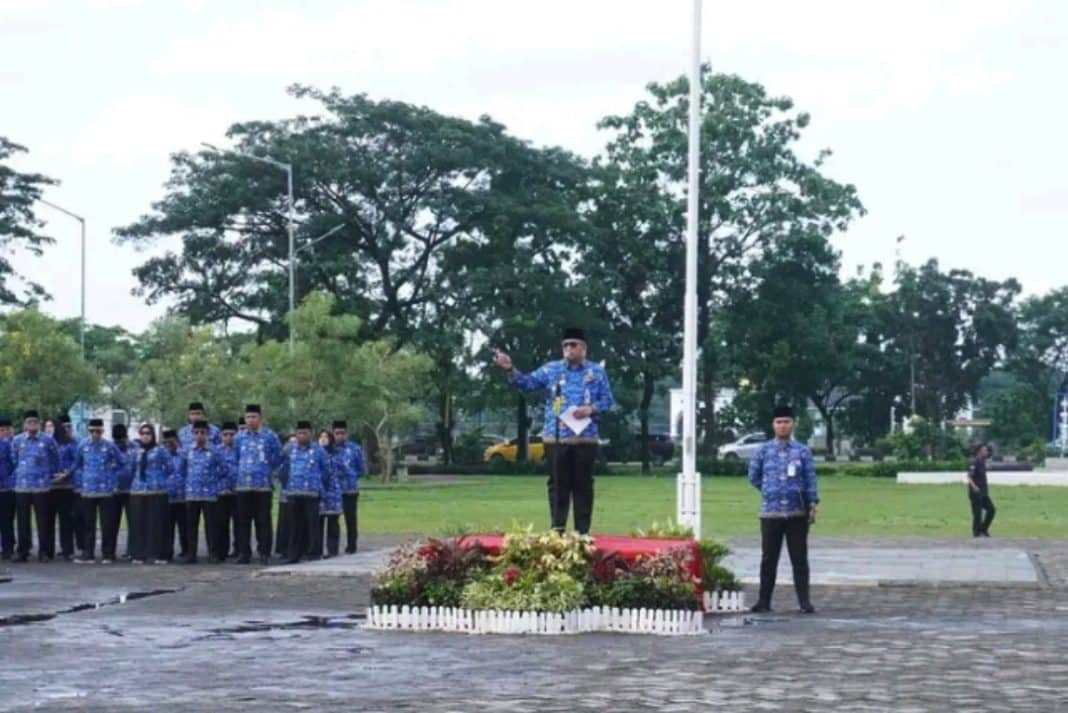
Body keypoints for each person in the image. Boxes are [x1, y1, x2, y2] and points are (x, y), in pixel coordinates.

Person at [494, 327, 615, 535]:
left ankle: (582, 533)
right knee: (558, 486)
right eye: (565, 345)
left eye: (573, 345)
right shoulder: (552, 370)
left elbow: (608, 400)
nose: (569, 349)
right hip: (556, 438)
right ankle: (556, 531)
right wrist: (509, 369)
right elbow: (527, 383)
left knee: (583, 487)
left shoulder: (596, 372)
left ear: (583, 348)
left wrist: (591, 409)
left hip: (585, 439)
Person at [747, 405, 819, 614]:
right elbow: (753, 476)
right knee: (769, 558)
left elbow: (810, 479)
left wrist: (812, 503)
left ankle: (804, 601)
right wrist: (770, 489)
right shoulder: (763, 451)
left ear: (793, 424)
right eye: (779, 422)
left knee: (799, 558)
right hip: (771, 512)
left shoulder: (802, 451)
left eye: (786, 421)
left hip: (797, 513)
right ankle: (764, 601)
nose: (783, 425)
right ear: (773, 425)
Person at [234, 404, 283, 565]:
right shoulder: (239, 437)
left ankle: (264, 552)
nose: (250, 420)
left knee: (263, 521)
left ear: (260, 418)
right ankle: (244, 553)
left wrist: (267, 471)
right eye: (248, 417)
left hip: (262, 485)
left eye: (253, 417)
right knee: (242, 521)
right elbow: (235, 458)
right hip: (243, 486)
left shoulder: (270, 436)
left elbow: (277, 457)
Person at [71, 418, 123, 564]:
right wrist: (79, 480)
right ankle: (88, 553)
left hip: (106, 490)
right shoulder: (82, 445)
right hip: (88, 489)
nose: (95, 434)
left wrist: (113, 478)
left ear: (102, 431)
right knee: (88, 523)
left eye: (98, 431)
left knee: (107, 524)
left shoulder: (110, 446)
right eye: (92, 431)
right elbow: (77, 464)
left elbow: (121, 462)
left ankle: (108, 554)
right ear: (89, 431)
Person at [12, 410, 60, 562]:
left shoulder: (47, 440)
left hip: (42, 486)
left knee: (43, 520)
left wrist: (49, 475)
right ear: (24, 424)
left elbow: (55, 459)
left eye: (35, 421)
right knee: (22, 520)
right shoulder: (17, 440)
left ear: (39, 423)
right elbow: (14, 460)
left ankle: (44, 551)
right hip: (22, 486)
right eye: (29, 422)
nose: (32, 424)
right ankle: (23, 551)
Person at [280, 421, 328, 563]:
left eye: (305, 433)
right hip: (293, 493)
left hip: (312, 493)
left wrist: (318, 484)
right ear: (295, 433)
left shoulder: (319, 451)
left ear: (311, 434)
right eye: (299, 433)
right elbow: (283, 470)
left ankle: (314, 553)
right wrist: (287, 485)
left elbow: (326, 472)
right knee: (294, 525)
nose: (302, 436)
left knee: (313, 525)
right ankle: (294, 554)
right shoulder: (289, 450)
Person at [183, 420, 227, 564]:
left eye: (203, 432)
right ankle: (191, 554)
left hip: (209, 494)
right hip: (192, 493)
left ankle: (213, 554)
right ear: (192, 434)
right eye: (196, 433)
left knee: (211, 526)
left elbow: (224, 470)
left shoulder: (215, 451)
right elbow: (181, 470)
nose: (200, 436)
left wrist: (215, 483)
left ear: (208, 434)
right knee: (190, 526)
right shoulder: (187, 451)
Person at [128, 424, 171, 564]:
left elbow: (170, 467)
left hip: (156, 490)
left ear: (153, 435)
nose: (145, 436)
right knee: (138, 524)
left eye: (148, 433)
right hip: (138, 490)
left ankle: (158, 554)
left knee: (156, 523)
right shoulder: (135, 451)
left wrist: (159, 478)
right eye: (143, 433)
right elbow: (131, 467)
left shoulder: (160, 450)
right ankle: (138, 554)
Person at [332, 420, 364, 554]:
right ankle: (332, 548)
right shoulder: (329, 449)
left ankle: (351, 546)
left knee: (351, 519)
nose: (340, 436)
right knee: (333, 520)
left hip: (350, 490)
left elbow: (361, 469)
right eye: (337, 433)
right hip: (333, 491)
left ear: (347, 433)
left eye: (343, 433)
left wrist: (350, 475)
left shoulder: (355, 448)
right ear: (333, 433)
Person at [50, 414, 80, 561]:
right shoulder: (49, 441)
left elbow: (77, 461)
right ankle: (47, 549)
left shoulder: (71, 443)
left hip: (66, 485)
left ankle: (67, 549)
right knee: (48, 519)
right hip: (49, 486)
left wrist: (66, 474)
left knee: (66, 519)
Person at [110, 424, 137, 560]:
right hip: (114, 490)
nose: (119, 442)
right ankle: (110, 552)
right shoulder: (110, 447)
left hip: (131, 490)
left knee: (133, 522)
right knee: (111, 523)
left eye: (121, 439)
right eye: (117, 440)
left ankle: (132, 550)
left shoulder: (134, 448)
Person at [161, 429, 187, 562]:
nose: (168, 445)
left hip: (183, 496)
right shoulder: (160, 455)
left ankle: (186, 551)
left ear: (177, 440)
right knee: (167, 527)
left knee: (184, 527)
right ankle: (167, 552)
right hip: (167, 496)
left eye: (171, 442)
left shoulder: (184, 454)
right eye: (165, 442)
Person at [317, 430, 342, 558]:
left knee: (333, 522)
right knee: (317, 523)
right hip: (318, 491)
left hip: (333, 491)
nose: (323, 439)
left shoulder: (336, 454)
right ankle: (317, 550)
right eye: (321, 436)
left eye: (326, 437)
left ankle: (332, 551)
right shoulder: (314, 453)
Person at [217, 421, 239, 559]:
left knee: (239, 523)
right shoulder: (215, 451)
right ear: (221, 436)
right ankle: (221, 551)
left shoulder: (241, 450)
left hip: (238, 491)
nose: (229, 437)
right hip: (221, 491)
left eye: (232, 434)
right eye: (225, 434)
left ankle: (239, 550)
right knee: (220, 523)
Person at [967, 443, 996, 537]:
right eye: (984, 450)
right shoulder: (974, 462)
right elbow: (969, 477)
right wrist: (974, 487)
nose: (986, 452)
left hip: (983, 493)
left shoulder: (983, 462)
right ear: (979, 452)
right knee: (977, 514)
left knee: (991, 509)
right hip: (975, 493)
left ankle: (983, 529)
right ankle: (976, 533)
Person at [0, 418, 14, 560]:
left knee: (7, 520)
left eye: (7, 429)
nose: (4, 432)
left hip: (8, 488)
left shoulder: (14, 444)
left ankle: (8, 547)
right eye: (2, 430)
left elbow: (15, 464)